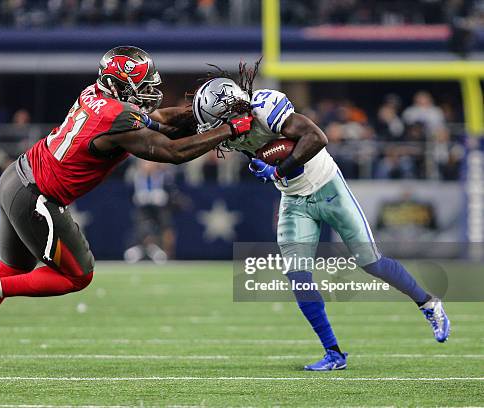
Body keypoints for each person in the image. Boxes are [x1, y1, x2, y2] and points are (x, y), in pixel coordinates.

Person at [0, 45, 253, 370]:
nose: (149, 93)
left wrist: (200, 113)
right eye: (142, 86)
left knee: (14, 270)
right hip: (36, 195)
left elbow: (159, 120)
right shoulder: (117, 117)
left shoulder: (98, 95)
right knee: (78, 274)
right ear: (121, 85)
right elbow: (172, 151)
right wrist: (228, 129)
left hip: (17, 177)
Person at [191, 67, 450, 371]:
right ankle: (334, 353)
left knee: (372, 263)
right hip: (294, 200)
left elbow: (317, 137)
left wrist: (276, 170)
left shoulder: (265, 107)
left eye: (216, 121)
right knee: (298, 277)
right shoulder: (231, 131)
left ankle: (428, 303)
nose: (214, 129)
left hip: (328, 187)